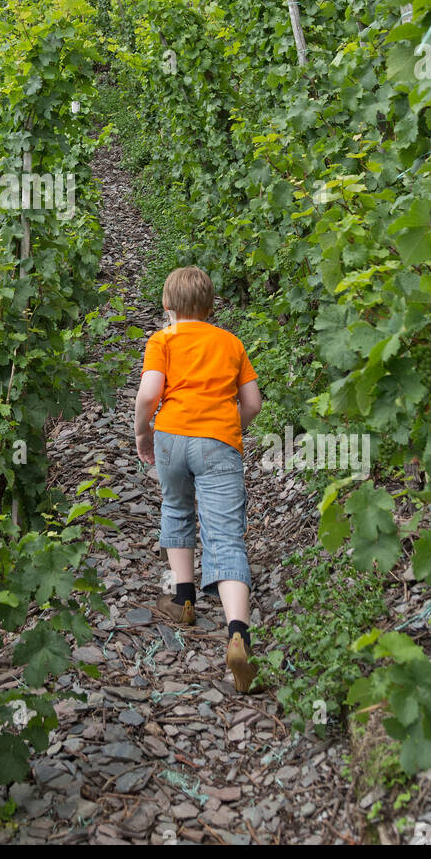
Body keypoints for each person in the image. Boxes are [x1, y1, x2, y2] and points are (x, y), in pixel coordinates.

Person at [133, 265, 262, 693]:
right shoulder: (230, 342)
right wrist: (230, 427)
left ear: (167, 306)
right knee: (225, 534)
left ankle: (184, 598)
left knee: (175, 507)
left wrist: (142, 431)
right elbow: (253, 403)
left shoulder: (163, 339)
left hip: (171, 437)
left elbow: (151, 392)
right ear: (210, 307)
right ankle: (238, 633)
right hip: (217, 441)